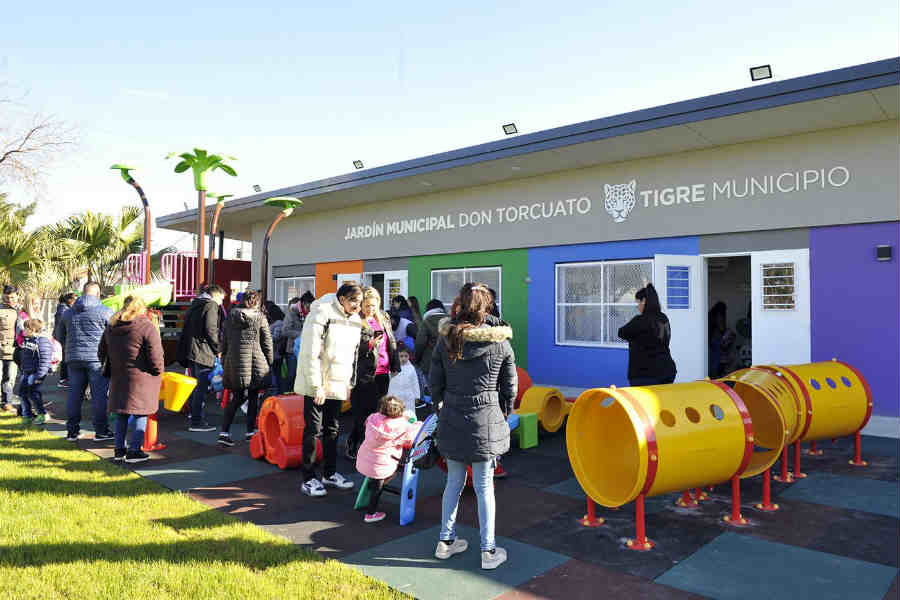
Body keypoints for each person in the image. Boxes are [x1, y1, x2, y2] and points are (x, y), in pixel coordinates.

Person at [431, 282, 517, 570]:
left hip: (453, 414)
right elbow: (510, 387)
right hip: (486, 418)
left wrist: (440, 406)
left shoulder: (446, 339)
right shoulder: (500, 343)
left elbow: (435, 382)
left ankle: (445, 542)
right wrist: (502, 414)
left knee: (453, 483)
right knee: (484, 487)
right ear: (487, 306)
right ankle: (488, 550)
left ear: (460, 304)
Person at [294, 282, 363, 497]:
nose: (358, 306)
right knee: (313, 430)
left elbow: (354, 355)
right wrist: (317, 387)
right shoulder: (321, 313)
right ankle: (308, 478)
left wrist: (349, 383)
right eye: (354, 301)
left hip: (337, 382)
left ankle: (329, 473)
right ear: (342, 299)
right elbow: (310, 353)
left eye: (360, 302)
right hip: (317, 383)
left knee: (333, 429)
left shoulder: (354, 320)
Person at [99, 296, 164, 463]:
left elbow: (101, 351)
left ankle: (119, 450)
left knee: (122, 413)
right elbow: (156, 354)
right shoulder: (146, 326)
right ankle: (134, 451)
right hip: (142, 377)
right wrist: (157, 371)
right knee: (141, 412)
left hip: (119, 375)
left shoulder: (112, 326)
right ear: (142, 308)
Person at [347, 287, 400, 459]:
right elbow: (351, 348)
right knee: (363, 413)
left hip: (382, 371)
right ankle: (356, 446)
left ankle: (370, 447)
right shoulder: (355, 320)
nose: (371, 309)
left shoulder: (383, 317)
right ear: (361, 305)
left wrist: (395, 364)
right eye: (367, 305)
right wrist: (369, 344)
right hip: (365, 372)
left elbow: (391, 341)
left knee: (378, 413)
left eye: (374, 305)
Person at [58, 281, 114, 442]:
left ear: (82, 293)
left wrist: (69, 347)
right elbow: (113, 336)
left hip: (73, 358)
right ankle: (101, 431)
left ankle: (72, 431)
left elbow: (59, 335)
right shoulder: (105, 312)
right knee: (99, 396)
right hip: (96, 359)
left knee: (74, 395)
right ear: (98, 294)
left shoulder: (68, 313)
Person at [219, 290, 273, 446]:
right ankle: (250, 432)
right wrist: (269, 362)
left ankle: (224, 432)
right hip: (256, 362)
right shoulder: (260, 318)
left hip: (234, 361)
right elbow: (267, 343)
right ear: (256, 302)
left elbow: (225, 341)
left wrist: (225, 360)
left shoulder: (231, 317)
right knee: (253, 397)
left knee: (236, 398)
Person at [355, 395, 418, 523]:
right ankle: (371, 514)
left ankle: (376, 485)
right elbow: (411, 438)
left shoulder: (373, 419)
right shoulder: (401, 426)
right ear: (400, 411)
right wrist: (417, 424)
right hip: (382, 464)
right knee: (381, 483)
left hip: (364, 459)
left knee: (377, 479)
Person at [176, 284, 225, 432]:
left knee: (195, 386)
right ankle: (197, 421)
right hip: (203, 351)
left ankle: (194, 416)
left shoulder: (195, 305)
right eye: (222, 299)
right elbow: (211, 330)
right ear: (215, 295)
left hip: (191, 350)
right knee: (201, 387)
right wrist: (218, 348)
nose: (222, 303)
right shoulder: (211, 306)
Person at [617, 284, 677, 386]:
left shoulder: (640, 320)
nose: (638, 306)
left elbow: (621, 332)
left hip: (645, 374)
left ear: (644, 301)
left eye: (638, 302)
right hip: (667, 371)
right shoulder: (663, 318)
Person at [18, 318, 52, 426]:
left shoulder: (42, 342)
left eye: (25, 328)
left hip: (35, 374)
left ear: (32, 329)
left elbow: (45, 360)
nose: (23, 331)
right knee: (22, 394)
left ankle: (42, 414)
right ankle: (26, 415)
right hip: (25, 372)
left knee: (34, 394)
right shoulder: (27, 340)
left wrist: (39, 376)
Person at [282, 291, 314, 392]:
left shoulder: (311, 314)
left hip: (306, 350)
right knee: (292, 375)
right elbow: (285, 331)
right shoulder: (292, 312)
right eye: (308, 307)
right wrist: (302, 334)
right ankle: (287, 394)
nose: (309, 310)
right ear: (303, 303)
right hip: (292, 350)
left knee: (303, 376)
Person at [0, 285, 24, 413]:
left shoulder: (22, 310)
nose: (10, 300)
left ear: (18, 296)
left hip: (15, 350)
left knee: (10, 378)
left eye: (13, 297)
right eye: (7, 297)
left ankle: (7, 402)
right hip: (1, 348)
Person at [414, 299, 446, 376]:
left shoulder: (427, 321)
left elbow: (420, 343)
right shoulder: (450, 320)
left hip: (429, 363)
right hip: (447, 362)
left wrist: (416, 360)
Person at [387, 342, 419, 418]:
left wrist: (417, 396)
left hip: (408, 396)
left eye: (406, 356)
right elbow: (388, 381)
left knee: (409, 414)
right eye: (401, 356)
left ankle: (411, 428)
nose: (404, 358)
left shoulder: (411, 368)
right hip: (395, 395)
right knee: (395, 414)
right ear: (396, 357)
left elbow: (415, 382)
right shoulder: (392, 368)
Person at [53, 292, 77, 387]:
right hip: (62, 338)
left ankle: (64, 378)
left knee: (65, 358)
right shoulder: (64, 310)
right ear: (69, 300)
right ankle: (63, 379)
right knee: (65, 359)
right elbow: (62, 326)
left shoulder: (63, 309)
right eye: (75, 299)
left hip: (62, 337)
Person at [264, 300, 286, 394]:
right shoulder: (276, 323)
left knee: (275, 375)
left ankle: (276, 393)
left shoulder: (279, 323)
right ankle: (276, 392)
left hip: (275, 353)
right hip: (274, 353)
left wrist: (265, 336)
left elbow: (276, 337)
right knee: (275, 374)